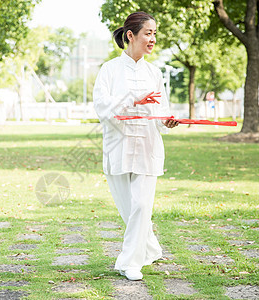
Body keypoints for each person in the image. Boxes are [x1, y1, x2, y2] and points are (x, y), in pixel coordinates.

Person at [93, 11, 179, 281]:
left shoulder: (154, 72)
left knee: (142, 206)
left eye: (155, 33)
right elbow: (102, 108)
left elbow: (160, 112)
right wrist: (133, 99)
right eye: (148, 33)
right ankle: (150, 247)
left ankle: (129, 263)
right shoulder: (109, 70)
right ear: (130, 35)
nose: (153, 39)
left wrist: (167, 121)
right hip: (118, 148)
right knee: (130, 211)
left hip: (147, 147)